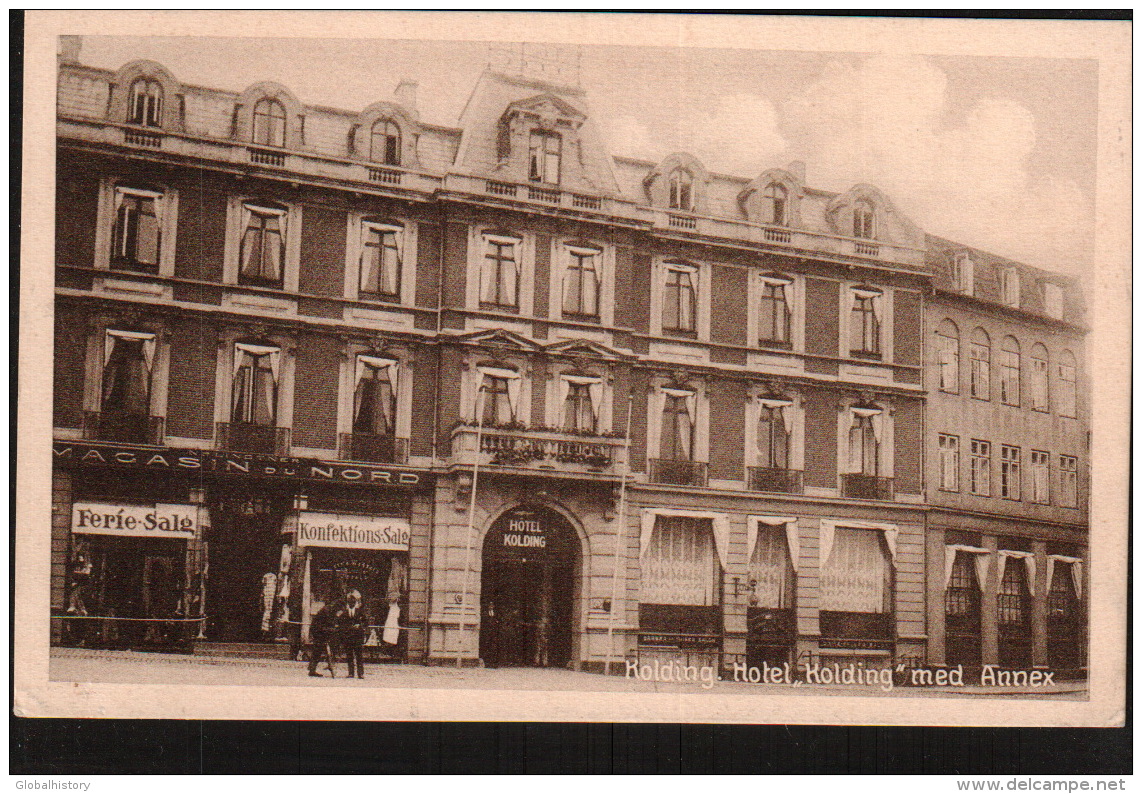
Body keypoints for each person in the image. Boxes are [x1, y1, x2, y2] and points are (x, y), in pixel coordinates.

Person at [337, 590, 369, 679]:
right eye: (350, 602)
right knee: (349, 656)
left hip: (358, 637)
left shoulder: (360, 612)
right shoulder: (344, 613)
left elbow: (366, 622)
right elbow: (340, 623)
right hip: (348, 637)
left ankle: (360, 673)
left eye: (353, 601)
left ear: (355, 602)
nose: (351, 603)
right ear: (348, 603)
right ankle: (351, 673)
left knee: (359, 656)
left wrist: (359, 625)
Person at [307, 600, 337, 678]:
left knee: (318, 651)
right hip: (318, 631)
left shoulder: (329, 610)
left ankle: (313, 668)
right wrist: (331, 628)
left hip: (322, 630)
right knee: (317, 650)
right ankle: (312, 669)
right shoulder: (327, 610)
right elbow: (327, 622)